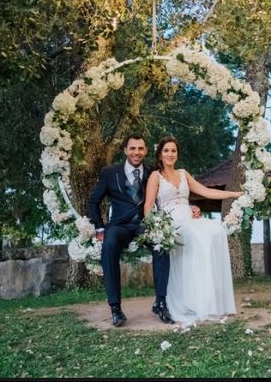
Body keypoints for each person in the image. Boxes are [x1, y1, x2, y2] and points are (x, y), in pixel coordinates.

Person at [87, 134, 201, 327]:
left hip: (145, 225)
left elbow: (170, 193)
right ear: (125, 150)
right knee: (109, 245)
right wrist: (99, 227)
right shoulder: (109, 172)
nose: (136, 152)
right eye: (132, 148)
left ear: (146, 150)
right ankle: (115, 308)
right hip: (119, 226)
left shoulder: (153, 172)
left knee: (161, 244)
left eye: (140, 148)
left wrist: (190, 206)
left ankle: (161, 302)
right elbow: (93, 201)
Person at [144, 135, 242, 325]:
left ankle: (204, 300)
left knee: (215, 232)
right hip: (170, 224)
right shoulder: (155, 176)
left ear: (177, 154)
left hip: (188, 217)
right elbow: (148, 206)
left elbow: (205, 191)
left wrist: (232, 194)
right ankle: (182, 302)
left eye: (173, 151)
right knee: (198, 239)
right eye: (166, 151)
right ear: (160, 154)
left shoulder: (183, 173)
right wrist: (155, 228)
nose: (170, 154)